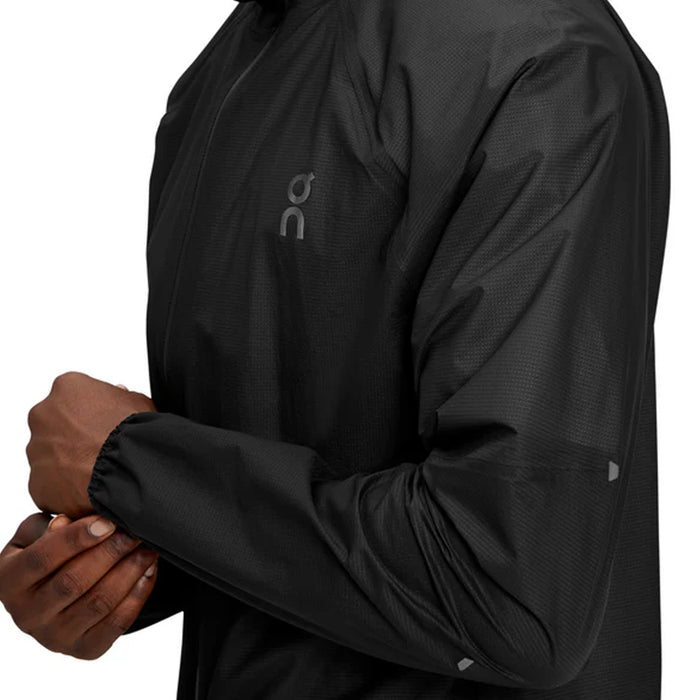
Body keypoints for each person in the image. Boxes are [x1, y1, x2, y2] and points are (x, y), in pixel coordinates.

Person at [1, 0, 670, 697]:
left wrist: (135, 467)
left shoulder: (540, 61)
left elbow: (514, 589)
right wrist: (106, 561)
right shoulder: (217, 78)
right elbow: (282, 469)